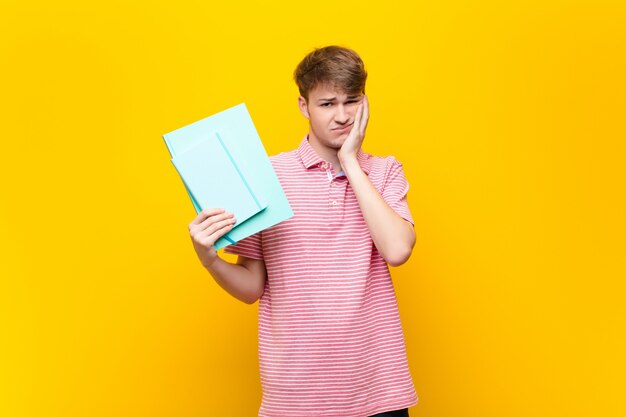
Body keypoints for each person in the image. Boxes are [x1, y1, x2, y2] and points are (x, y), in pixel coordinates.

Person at [188, 45, 418, 417]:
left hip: (378, 391)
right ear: (303, 106)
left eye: (352, 101)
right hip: (295, 396)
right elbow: (251, 288)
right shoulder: (267, 176)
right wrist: (209, 259)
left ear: (365, 102)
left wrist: (350, 162)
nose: (342, 116)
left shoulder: (385, 171)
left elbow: (397, 250)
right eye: (327, 104)